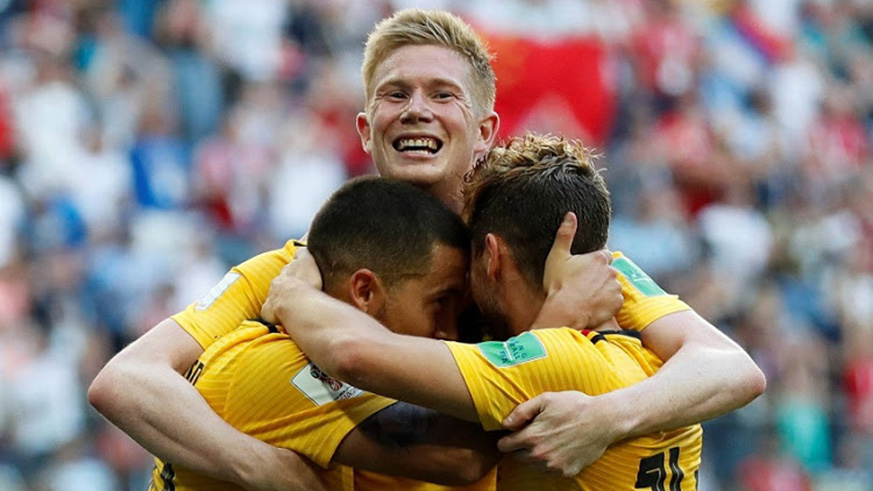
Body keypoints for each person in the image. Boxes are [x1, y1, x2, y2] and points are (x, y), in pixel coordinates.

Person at [88, 9, 764, 489]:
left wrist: (607, 416)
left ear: (485, 130)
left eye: (443, 94)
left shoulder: (541, 254)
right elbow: (126, 380)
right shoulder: (299, 267)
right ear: (365, 128)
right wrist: (259, 466)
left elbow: (727, 366)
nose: (417, 109)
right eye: (395, 94)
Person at [263, 134, 707, 490]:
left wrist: (291, 292)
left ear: (491, 257)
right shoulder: (664, 362)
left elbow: (351, 352)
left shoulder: (554, 362)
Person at [149, 176, 501, 490]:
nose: (450, 331)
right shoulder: (275, 366)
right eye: (440, 302)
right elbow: (461, 455)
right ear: (364, 291)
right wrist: (532, 372)